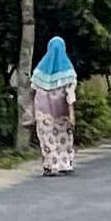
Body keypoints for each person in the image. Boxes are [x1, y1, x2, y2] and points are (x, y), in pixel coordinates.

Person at [30, 36, 79, 176]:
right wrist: (72, 115)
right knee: (64, 138)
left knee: (47, 138)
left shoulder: (39, 71)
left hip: (43, 113)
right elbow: (70, 96)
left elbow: (32, 90)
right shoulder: (69, 72)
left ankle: (51, 165)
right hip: (62, 114)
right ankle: (65, 164)